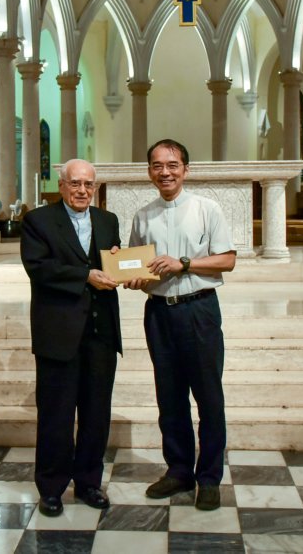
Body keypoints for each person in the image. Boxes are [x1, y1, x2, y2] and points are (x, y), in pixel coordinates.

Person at [124, 139, 236, 511]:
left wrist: (184, 263)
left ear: (186, 169)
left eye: (172, 165)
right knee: (169, 397)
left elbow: (227, 260)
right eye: (157, 166)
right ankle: (178, 471)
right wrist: (132, 277)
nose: (165, 172)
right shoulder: (143, 216)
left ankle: (209, 478)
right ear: (149, 172)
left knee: (208, 397)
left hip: (199, 309)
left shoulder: (207, 209)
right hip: (159, 313)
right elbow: (138, 266)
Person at [20, 159, 122, 518]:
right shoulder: (38, 221)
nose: (82, 191)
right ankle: (51, 488)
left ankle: (89, 483)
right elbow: (39, 267)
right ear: (61, 186)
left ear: (95, 188)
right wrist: (85, 275)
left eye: (88, 184)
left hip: (100, 333)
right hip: (58, 333)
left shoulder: (108, 221)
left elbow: (113, 261)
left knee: (96, 414)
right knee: (56, 415)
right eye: (75, 183)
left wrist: (124, 267)